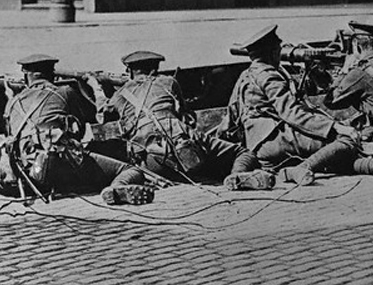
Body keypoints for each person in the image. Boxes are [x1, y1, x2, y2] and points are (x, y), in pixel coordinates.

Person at [218, 24, 373, 186]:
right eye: (278, 48)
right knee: (348, 140)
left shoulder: (246, 76)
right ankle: (299, 169)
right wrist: (335, 128)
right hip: (276, 139)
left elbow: (230, 117)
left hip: (259, 146)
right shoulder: (269, 76)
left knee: (338, 159)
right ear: (272, 51)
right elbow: (292, 113)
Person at [93, 50, 273, 191]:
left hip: (150, 159)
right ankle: (238, 177)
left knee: (132, 170)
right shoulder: (168, 82)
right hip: (184, 145)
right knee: (242, 153)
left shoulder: (122, 92)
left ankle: (120, 186)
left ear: (130, 71)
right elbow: (184, 113)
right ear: (155, 68)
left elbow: (102, 113)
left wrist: (98, 89)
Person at [0, 54, 153, 205]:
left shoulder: (13, 102)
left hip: (28, 169)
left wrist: (11, 95)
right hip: (63, 162)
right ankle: (117, 188)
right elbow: (82, 128)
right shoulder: (65, 92)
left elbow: (10, 134)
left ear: (26, 76)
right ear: (52, 74)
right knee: (130, 170)